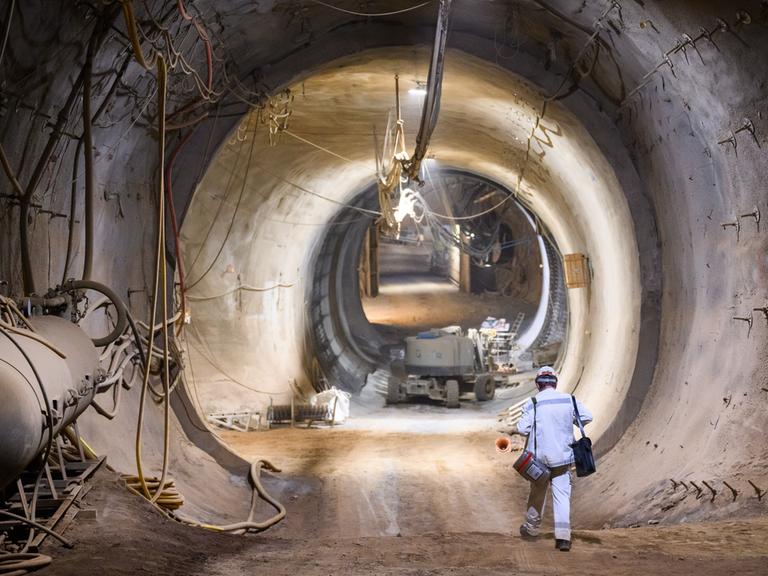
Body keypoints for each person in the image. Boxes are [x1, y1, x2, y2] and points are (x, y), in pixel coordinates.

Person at [508, 366, 593, 552]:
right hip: (563, 457)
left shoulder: (532, 403)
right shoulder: (568, 399)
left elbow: (523, 429)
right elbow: (587, 417)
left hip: (539, 460)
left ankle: (530, 529)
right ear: (555, 383)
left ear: (538, 385)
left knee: (537, 493)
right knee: (562, 495)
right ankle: (563, 538)